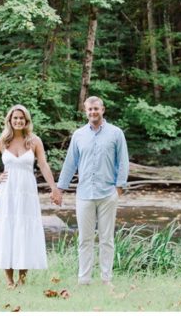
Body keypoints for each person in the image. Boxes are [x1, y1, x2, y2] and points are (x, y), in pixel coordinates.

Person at [0, 104, 62, 288]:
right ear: (10, 120)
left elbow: (43, 165)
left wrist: (54, 188)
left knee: (25, 231)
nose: (18, 121)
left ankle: (22, 280)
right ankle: (9, 280)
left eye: (21, 118)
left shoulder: (34, 141)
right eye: (15, 118)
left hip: (27, 192)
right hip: (8, 192)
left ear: (26, 121)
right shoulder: (2, 142)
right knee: (8, 230)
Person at [52, 96, 129, 285]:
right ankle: (84, 279)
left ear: (103, 110)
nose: (93, 112)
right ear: (85, 112)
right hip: (84, 194)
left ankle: (106, 279)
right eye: (90, 109)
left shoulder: (116, 133)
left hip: (108, 193)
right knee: (85, 239)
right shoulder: (78, 135)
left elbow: (123, 161)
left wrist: (119, 187)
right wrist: (60, 188)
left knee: (106, 239)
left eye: (96, 109)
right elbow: (70, 163)